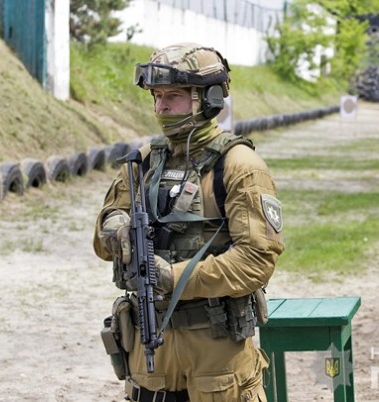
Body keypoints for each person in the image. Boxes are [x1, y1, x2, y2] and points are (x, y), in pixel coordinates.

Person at [93, 42, 284, 402]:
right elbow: (105, 232)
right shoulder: (144, 162)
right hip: (150, 355)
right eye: (157, 96)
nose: (161, 107)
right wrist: (115, 227)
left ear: (209, 99)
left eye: (174, 96)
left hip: (215, 353)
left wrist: (173, 277)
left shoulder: (239, 166)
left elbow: (256, 260)